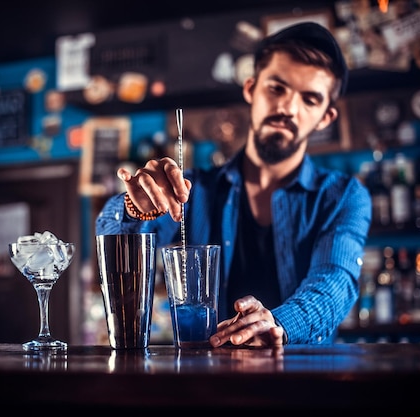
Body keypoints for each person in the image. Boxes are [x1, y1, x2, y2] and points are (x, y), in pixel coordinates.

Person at [95, 22, 372, 347]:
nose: (288, 108)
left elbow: (334, 281)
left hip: (304, 386)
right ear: (251, 89)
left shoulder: (342, 197)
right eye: (277, 88)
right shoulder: (190, 191)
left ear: (325, 117)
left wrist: (278, 324)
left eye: (310, 99)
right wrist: (134, 208)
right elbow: (112, 244)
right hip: (202, 384)